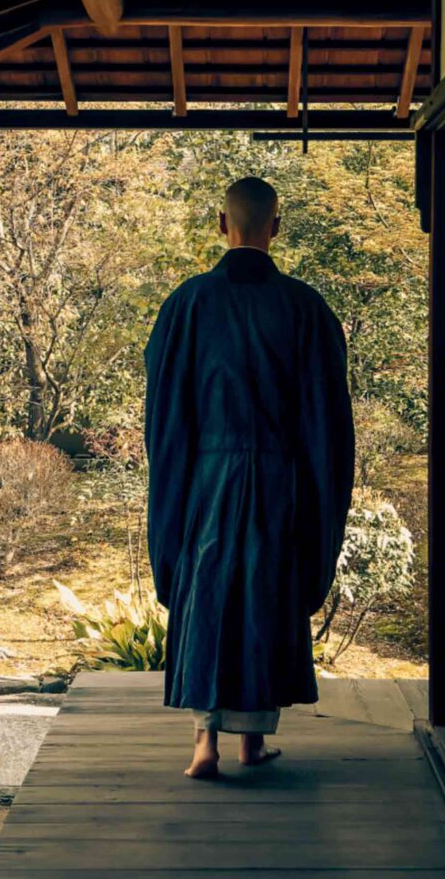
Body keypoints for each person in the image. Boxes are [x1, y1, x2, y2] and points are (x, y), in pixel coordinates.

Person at [144, 176, 354, 779]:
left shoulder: (186, 304)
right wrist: (318, 490)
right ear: (276, 227)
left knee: (208, 591)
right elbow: (327, 419)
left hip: (206, 477)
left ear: (221, 224)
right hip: (279, 480)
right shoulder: (304, 307)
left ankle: (203, 745)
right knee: (265, 593)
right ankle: (252, 744)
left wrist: (175, 484)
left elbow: (165, 410)